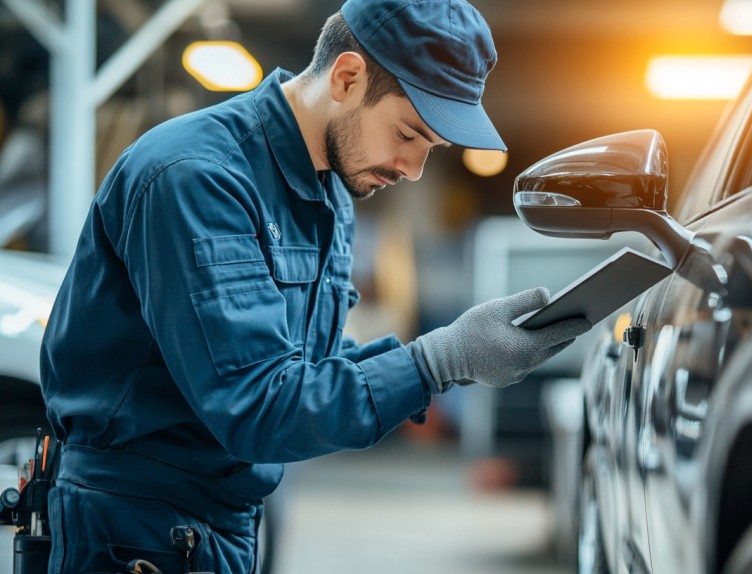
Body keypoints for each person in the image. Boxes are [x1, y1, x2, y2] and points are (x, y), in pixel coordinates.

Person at [39, 0, 590, 571]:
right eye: (408, 134)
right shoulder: (198, 177)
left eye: (432, 149)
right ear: (347, 78)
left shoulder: (330, 195)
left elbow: (307, 364)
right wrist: (436, 361)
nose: (413, 168)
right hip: (134, 527)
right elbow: (256, 405)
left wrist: (458, 355)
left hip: (224, 517)